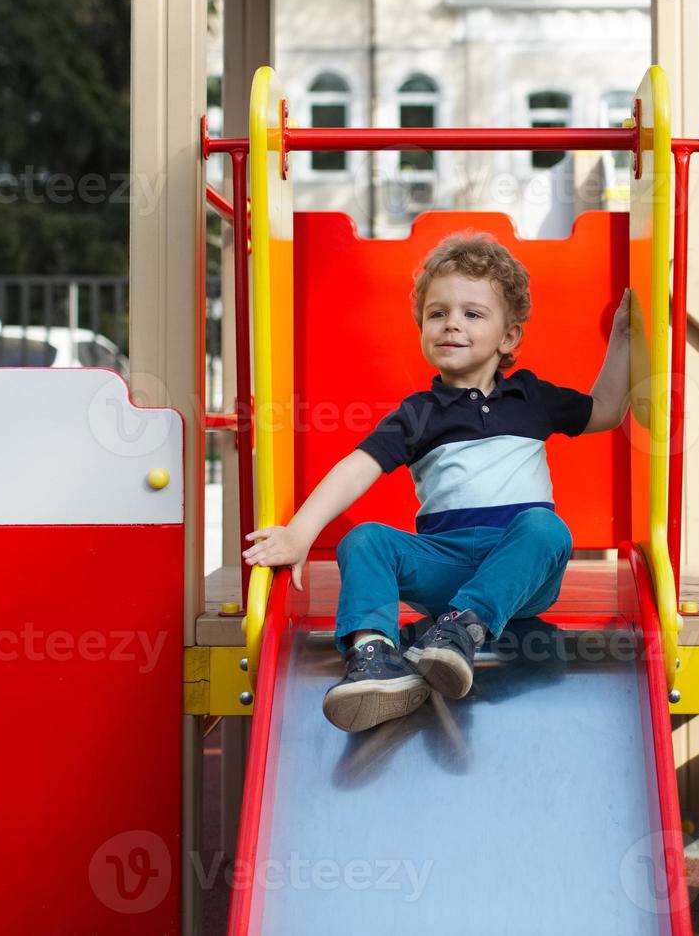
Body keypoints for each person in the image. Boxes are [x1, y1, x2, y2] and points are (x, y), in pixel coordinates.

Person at [241, 232, 632, 732]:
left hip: (520, 576)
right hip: (443, 565)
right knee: (366, 540)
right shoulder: (419, 414)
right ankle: (374, 656)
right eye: (437, 313)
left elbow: (604, 410)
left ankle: (463, 630)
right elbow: (359, 466)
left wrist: (622, 339)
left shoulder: (531, 398)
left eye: (472, 314)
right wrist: (300, 533)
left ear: (509, 337)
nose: (452, 324)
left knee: (546, 528)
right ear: (422, 326)